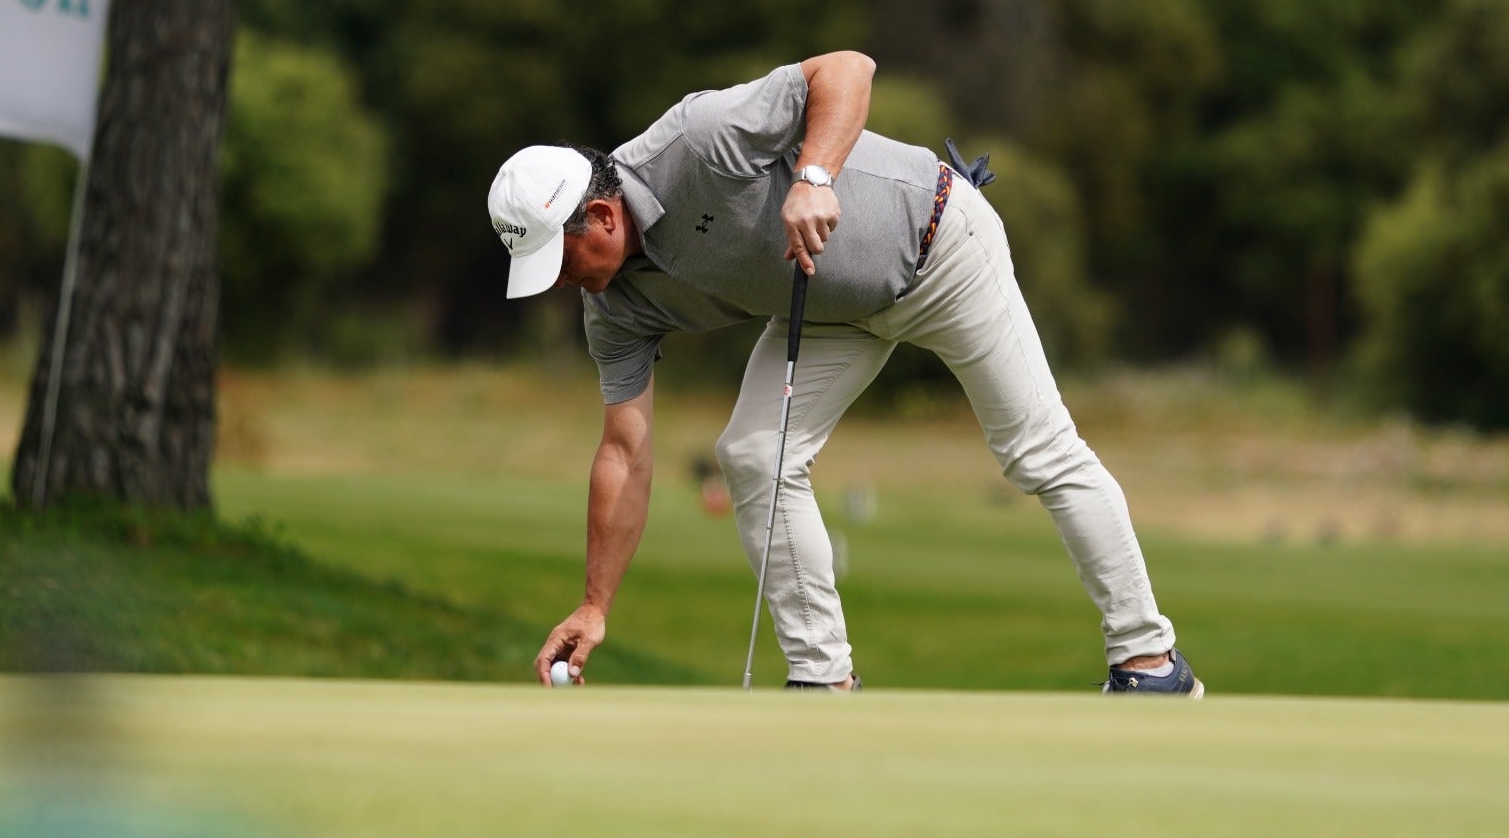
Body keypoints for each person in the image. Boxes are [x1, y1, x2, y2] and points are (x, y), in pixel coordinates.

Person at [487, 51, 1202, 696]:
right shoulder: (612, 308)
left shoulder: (699, 139)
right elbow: (623, 452)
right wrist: (595, 604)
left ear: (605, 217)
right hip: (827, 307)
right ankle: (822, 679)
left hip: (940, 246)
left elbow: (848, 69)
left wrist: (814, 176)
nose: (561, 286)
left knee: (1037, 449)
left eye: (562, 263)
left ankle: (1150, 662)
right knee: (755, 456)